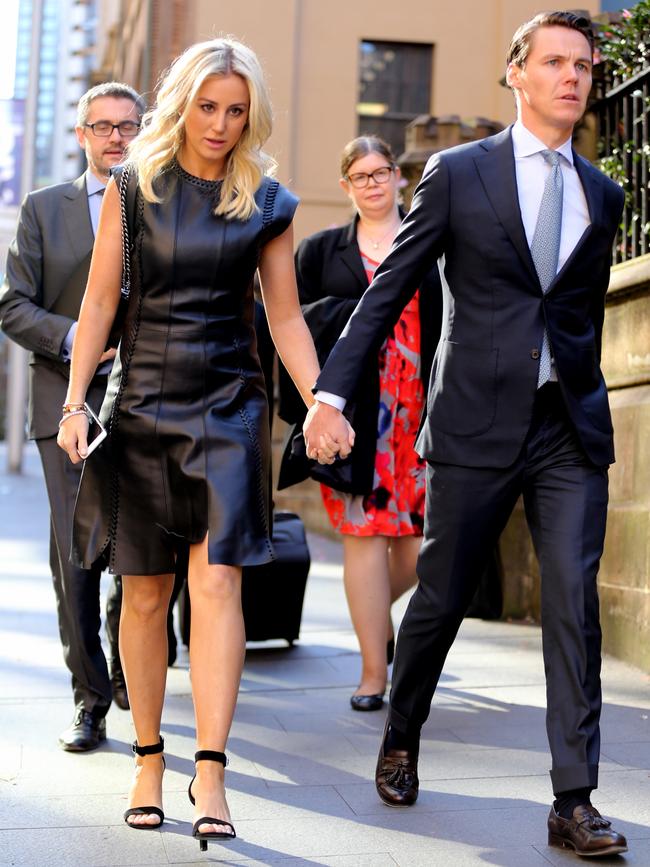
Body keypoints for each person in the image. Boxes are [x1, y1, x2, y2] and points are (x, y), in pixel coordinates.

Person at [304, 11, 628, 858]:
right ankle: (402, 727)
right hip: (476, 423)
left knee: (572, 601)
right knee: (442, 594)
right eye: (555, 61)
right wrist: (333, 392)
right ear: (517, 73)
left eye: (585, 66)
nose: (573, 76)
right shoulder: (456, 173)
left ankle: (573, 799)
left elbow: (578, 313)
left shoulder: (605, 192)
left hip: (567, 429)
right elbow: (391, 290)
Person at [56, 38, 345, 848]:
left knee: (217, 584)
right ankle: (149, 757)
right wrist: (77, 402)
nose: (220, 125)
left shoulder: (267, 200)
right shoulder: (130, 185)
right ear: (182, 102)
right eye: (208, 106)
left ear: (251, 116)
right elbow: (100, 303)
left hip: (230, 407)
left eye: (237, 111)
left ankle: (209, 769)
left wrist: (323, 396)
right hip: (141, 404)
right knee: (144, 593)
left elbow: (284, 315)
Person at [0, 82, 146, 750]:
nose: (115, 137)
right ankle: (89, 698)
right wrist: (78, 340)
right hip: (66, 400)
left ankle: (131, 648)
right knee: (74, 556)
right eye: (103, 126)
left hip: (149, 399)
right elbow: (12, 305)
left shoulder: (164, 203)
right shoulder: (41, 209)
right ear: (82, 135)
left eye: (127, 125)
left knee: (142, 552)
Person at [279, 135, 441, 710]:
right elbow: (290, 326)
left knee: (423, 549)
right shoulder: (323, 252)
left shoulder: (431, 242)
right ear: (346, 186)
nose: (373, 183)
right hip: (355, 420)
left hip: (422, 415)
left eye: (382, 172)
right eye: (360, 176)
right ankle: (375, 673)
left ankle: (378, 620)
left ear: (400, 177)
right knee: (364, 541)